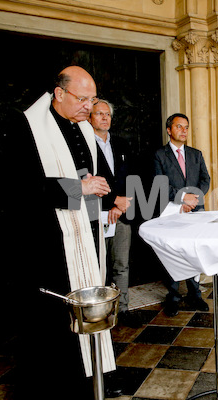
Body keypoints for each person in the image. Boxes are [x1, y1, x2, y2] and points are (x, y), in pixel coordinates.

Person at [10, 66, 120, 399]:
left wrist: (105, 193)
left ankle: (97, 373)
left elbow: (93, 176)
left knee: (92, 302)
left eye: (93, 99)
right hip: (51, 239)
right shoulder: (27, 127)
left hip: (86, 231)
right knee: (57, 315)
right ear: (60, 93)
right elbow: (19, 186)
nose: (89, 107)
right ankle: (65, 381)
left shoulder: (82, 130)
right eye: (83, 99)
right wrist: (79, 187)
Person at [90, 99, 141, 328]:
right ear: (90, 117)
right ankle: (99, 313)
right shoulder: (84, 145)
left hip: (121, 215)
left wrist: (121, 205)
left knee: (121, 264)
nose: (104, 118)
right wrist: (112, 203)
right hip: (96, 215)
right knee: (98, 267)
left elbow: (131, 177)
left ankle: (124, 310)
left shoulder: (121, 144)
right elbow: (85, 181)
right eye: (99, 114)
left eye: (107, 114)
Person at [154, 113, 211, 316]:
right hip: (171, 211)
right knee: (172, 252)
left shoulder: (196, 154)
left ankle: (195, 294)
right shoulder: (160, 155)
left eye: (186, 127)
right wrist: (182, 199)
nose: (184, 131)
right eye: (179, 127)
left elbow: (206, 179)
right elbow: (160, 184)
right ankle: (173, 296)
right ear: (169, 130)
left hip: (195, 210)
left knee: (193, 250)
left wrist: (193, 198)